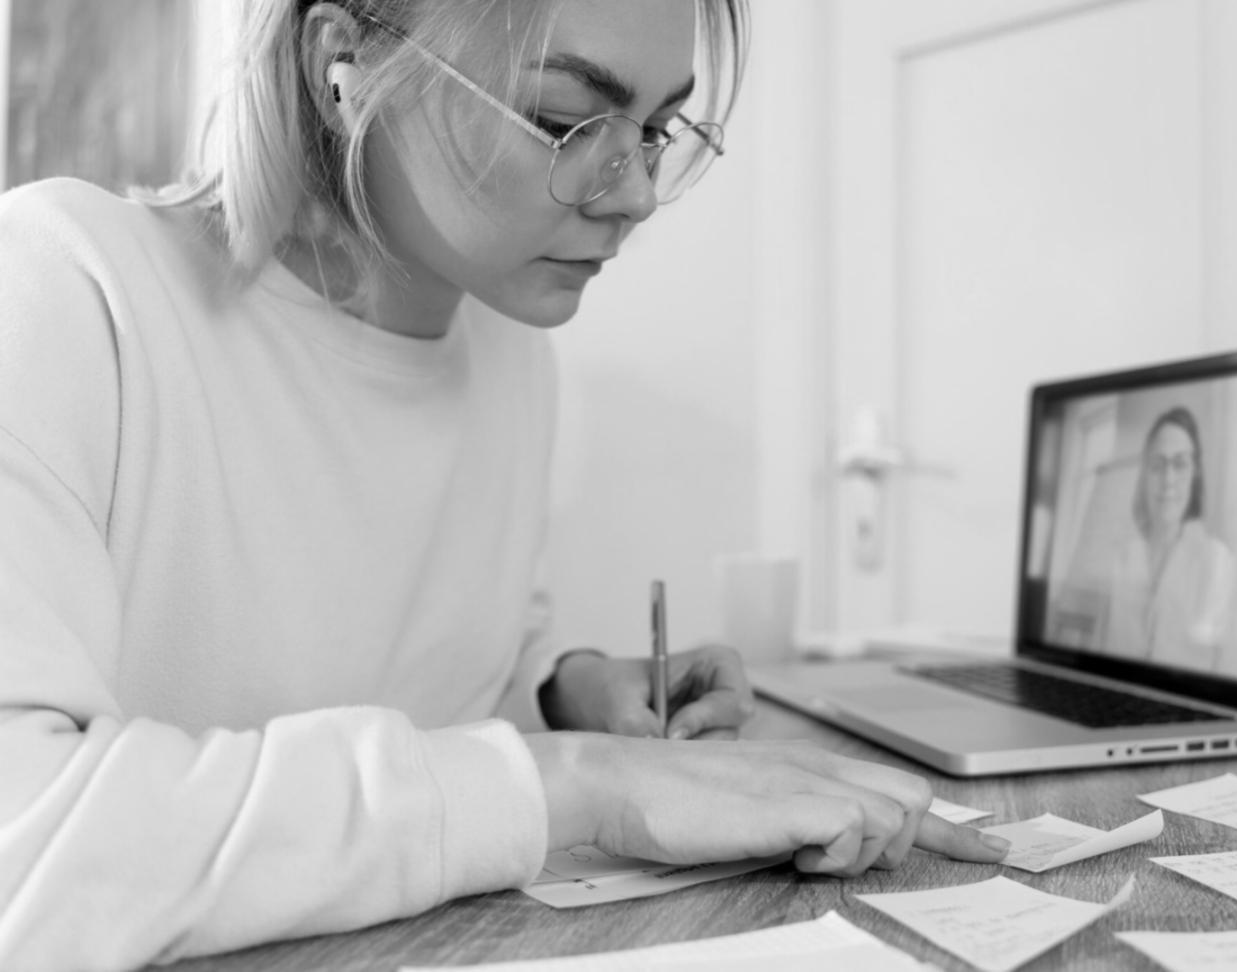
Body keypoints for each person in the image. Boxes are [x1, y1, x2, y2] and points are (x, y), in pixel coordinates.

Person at [0, 1, 1008, 968]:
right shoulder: (61, 287)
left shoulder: (512, 357)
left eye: (655, 129)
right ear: (340, 66)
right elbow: (22, 856)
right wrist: (573, 784)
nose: (634, 193)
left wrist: (565, 696)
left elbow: (434, 692)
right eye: (564, 121)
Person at [1102, 406, 1237, 672]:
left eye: (1180, 463)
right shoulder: (1122, 557)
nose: (1168, 479)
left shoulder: (1216, 560)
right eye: (1157, 464)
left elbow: (1221, 670)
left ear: (1195, 473)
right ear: (1144, 475)